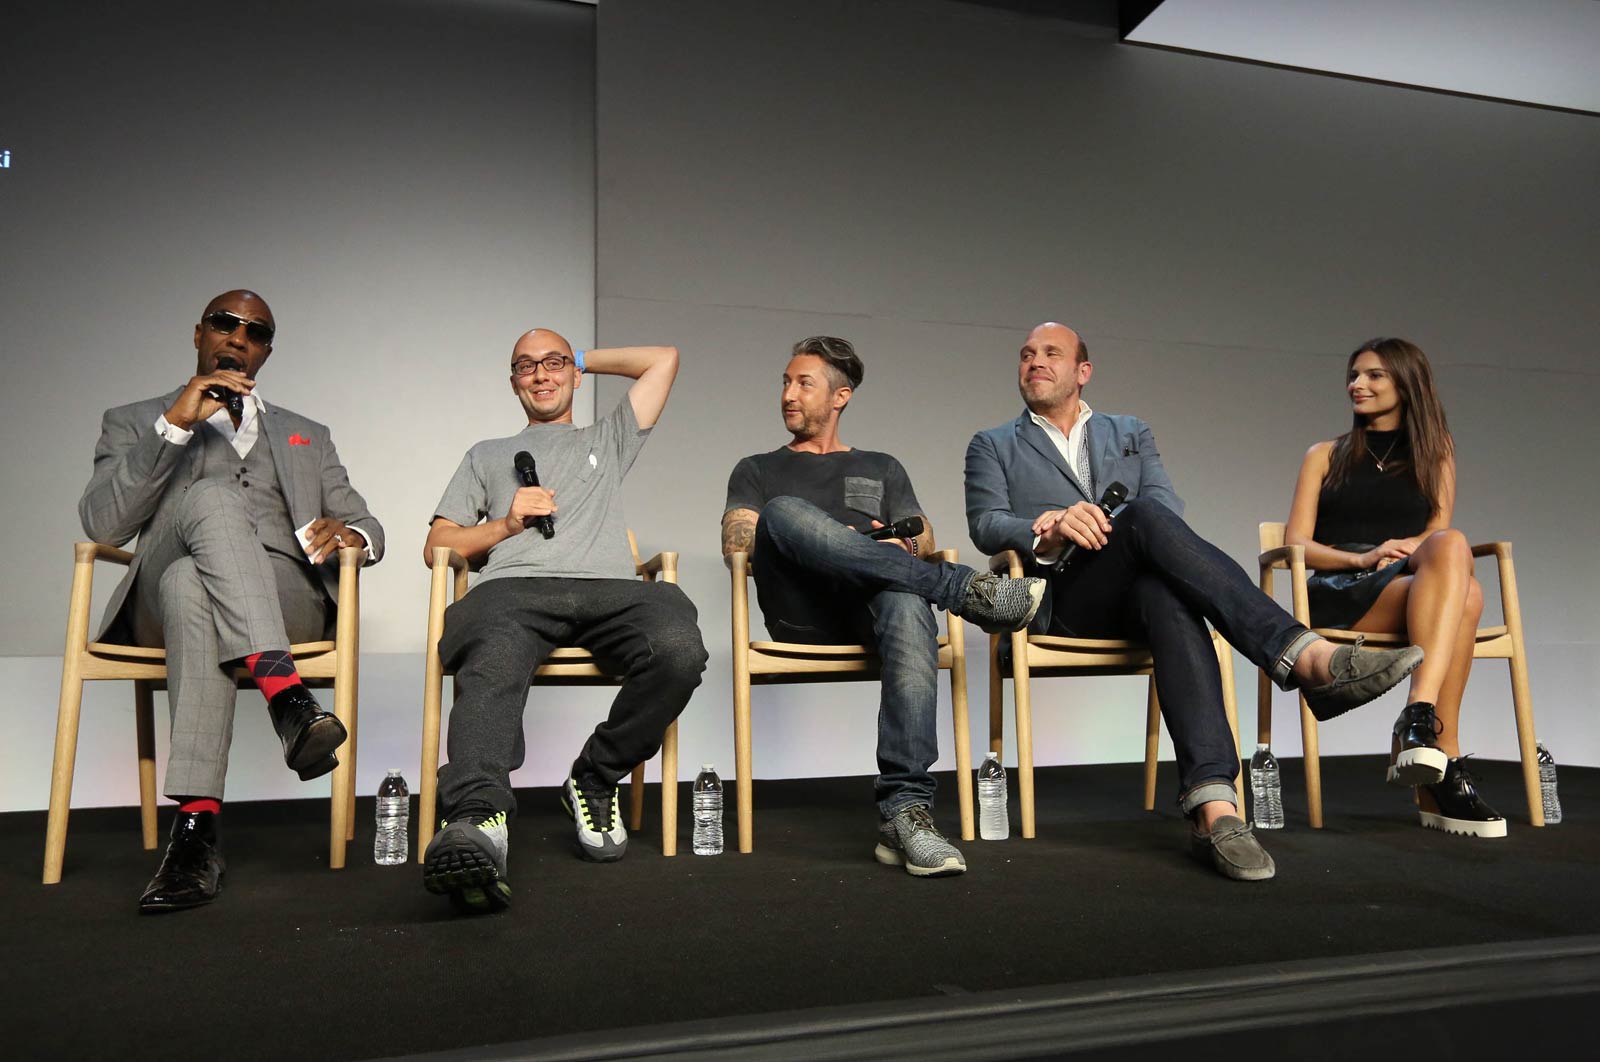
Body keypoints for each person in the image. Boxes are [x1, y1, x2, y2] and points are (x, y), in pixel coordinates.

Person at [964, 322, 1426, 881]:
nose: (1035, 361)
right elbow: (987, 524)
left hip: (1136, 593)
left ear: (1083, 373)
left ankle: (1216, 810)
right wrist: (1053, 527)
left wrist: (1117, 523)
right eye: (1026, 355)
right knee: (1143, 522)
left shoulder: (1130, 431)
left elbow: (1164, 506)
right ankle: (1303, 657)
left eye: (1051, 353)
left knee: (1163, 583)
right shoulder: (993, 443)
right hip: (1065, 599)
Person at [80, 289, 384, 913]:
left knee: (192, 586)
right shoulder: (136, 419)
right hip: (153, 607)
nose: (238, 336)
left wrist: (354, 535)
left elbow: (366, 522)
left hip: (282, 595)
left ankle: (195, 836)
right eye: (225, 323)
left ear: (267, 350)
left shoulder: (307, 434)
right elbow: (104, 525)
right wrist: (175, 426)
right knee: (210, 509)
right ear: (199, 333)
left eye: (257, 331)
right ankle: (290, 700)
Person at [721, 336, 1047, 879]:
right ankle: (966, 592)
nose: (788, 394)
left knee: (903, 598)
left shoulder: (882, 466)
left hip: (873, 609)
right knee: (783, 514)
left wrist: (901, 548)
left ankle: (906, 814)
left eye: (803, 383)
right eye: (785, 382)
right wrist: (838, 539)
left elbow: (922, 536)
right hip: (801, 612)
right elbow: (740, 541)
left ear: (840, 396)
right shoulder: (756, 468)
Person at [422, 329, 706, 913]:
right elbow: (438, 545)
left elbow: (664, 357)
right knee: (492, 651)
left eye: (554, 364)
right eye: (526, 367)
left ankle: (595, 777)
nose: (541, 375)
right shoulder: (486, 453)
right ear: (512, 382)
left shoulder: (609, 436)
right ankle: (479, 818)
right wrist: (505, 524)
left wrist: (578, 356)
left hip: (611, 591)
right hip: (514, 591)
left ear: (576, 375)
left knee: (678, 642)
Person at [1284, 337, 1503, 837]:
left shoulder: (1436, 451)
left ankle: (1419, 728)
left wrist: (1409, 547)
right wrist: (1361, 556)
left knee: (1456, 562)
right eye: (1354, 375)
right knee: (1463, 588)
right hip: (1341, 589)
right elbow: (1297, 542)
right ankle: (1436, 750)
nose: (1356, 385)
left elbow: (1437, 532)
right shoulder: (1325, 455)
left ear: (1406, 383)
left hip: (1408, 585)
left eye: (1374, 375)